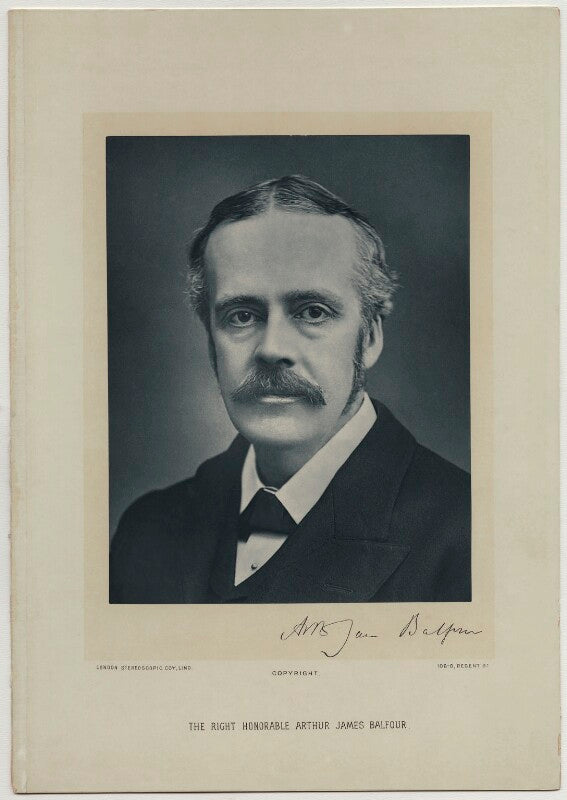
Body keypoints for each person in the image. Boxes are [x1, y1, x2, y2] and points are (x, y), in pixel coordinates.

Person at [110, 174, 470, 603]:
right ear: (210, 342)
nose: (272, 349)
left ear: (370, 337)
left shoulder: (469, 534)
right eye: (242, 316)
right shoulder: (146, 531)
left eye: (312, 312)